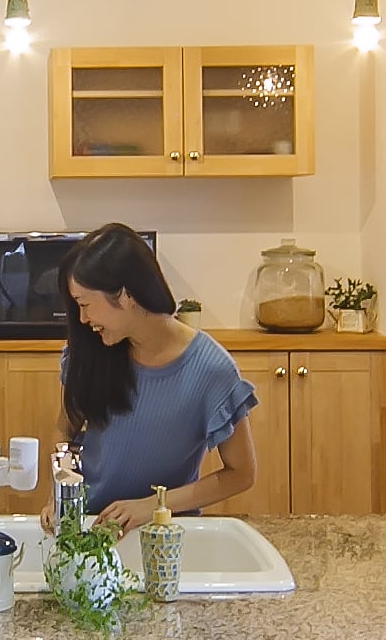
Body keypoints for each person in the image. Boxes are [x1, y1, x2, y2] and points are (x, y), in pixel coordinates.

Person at [59, 223, 261, 532]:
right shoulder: (91, 350)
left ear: (125, 295)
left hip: (164, 533)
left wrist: (153, 505)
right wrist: (59, 494)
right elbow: (63, 429)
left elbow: (241, 473)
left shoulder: (212, 370)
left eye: (85, 304)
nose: (83, 319)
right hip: (88, 525)